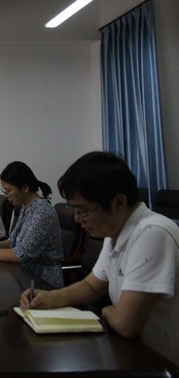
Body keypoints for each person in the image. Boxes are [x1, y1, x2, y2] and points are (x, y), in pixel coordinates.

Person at [20, 151, 179, 364]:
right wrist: (49, 298)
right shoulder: (115, 233)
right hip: (131, 352)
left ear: (119, 203)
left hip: (162, 362)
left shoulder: (153, 233)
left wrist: (106, 311)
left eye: (83, 211)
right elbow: (92, 286)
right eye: (74, 210)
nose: (78, 220)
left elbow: (125, 324)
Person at [0, 161, 64, 288]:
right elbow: (12, 241)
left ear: (25, 188)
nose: (6, 195)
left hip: (43, 281)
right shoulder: (26, 207)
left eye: (8, 191)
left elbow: (20, 254)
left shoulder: (42, 212)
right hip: (24, 274)